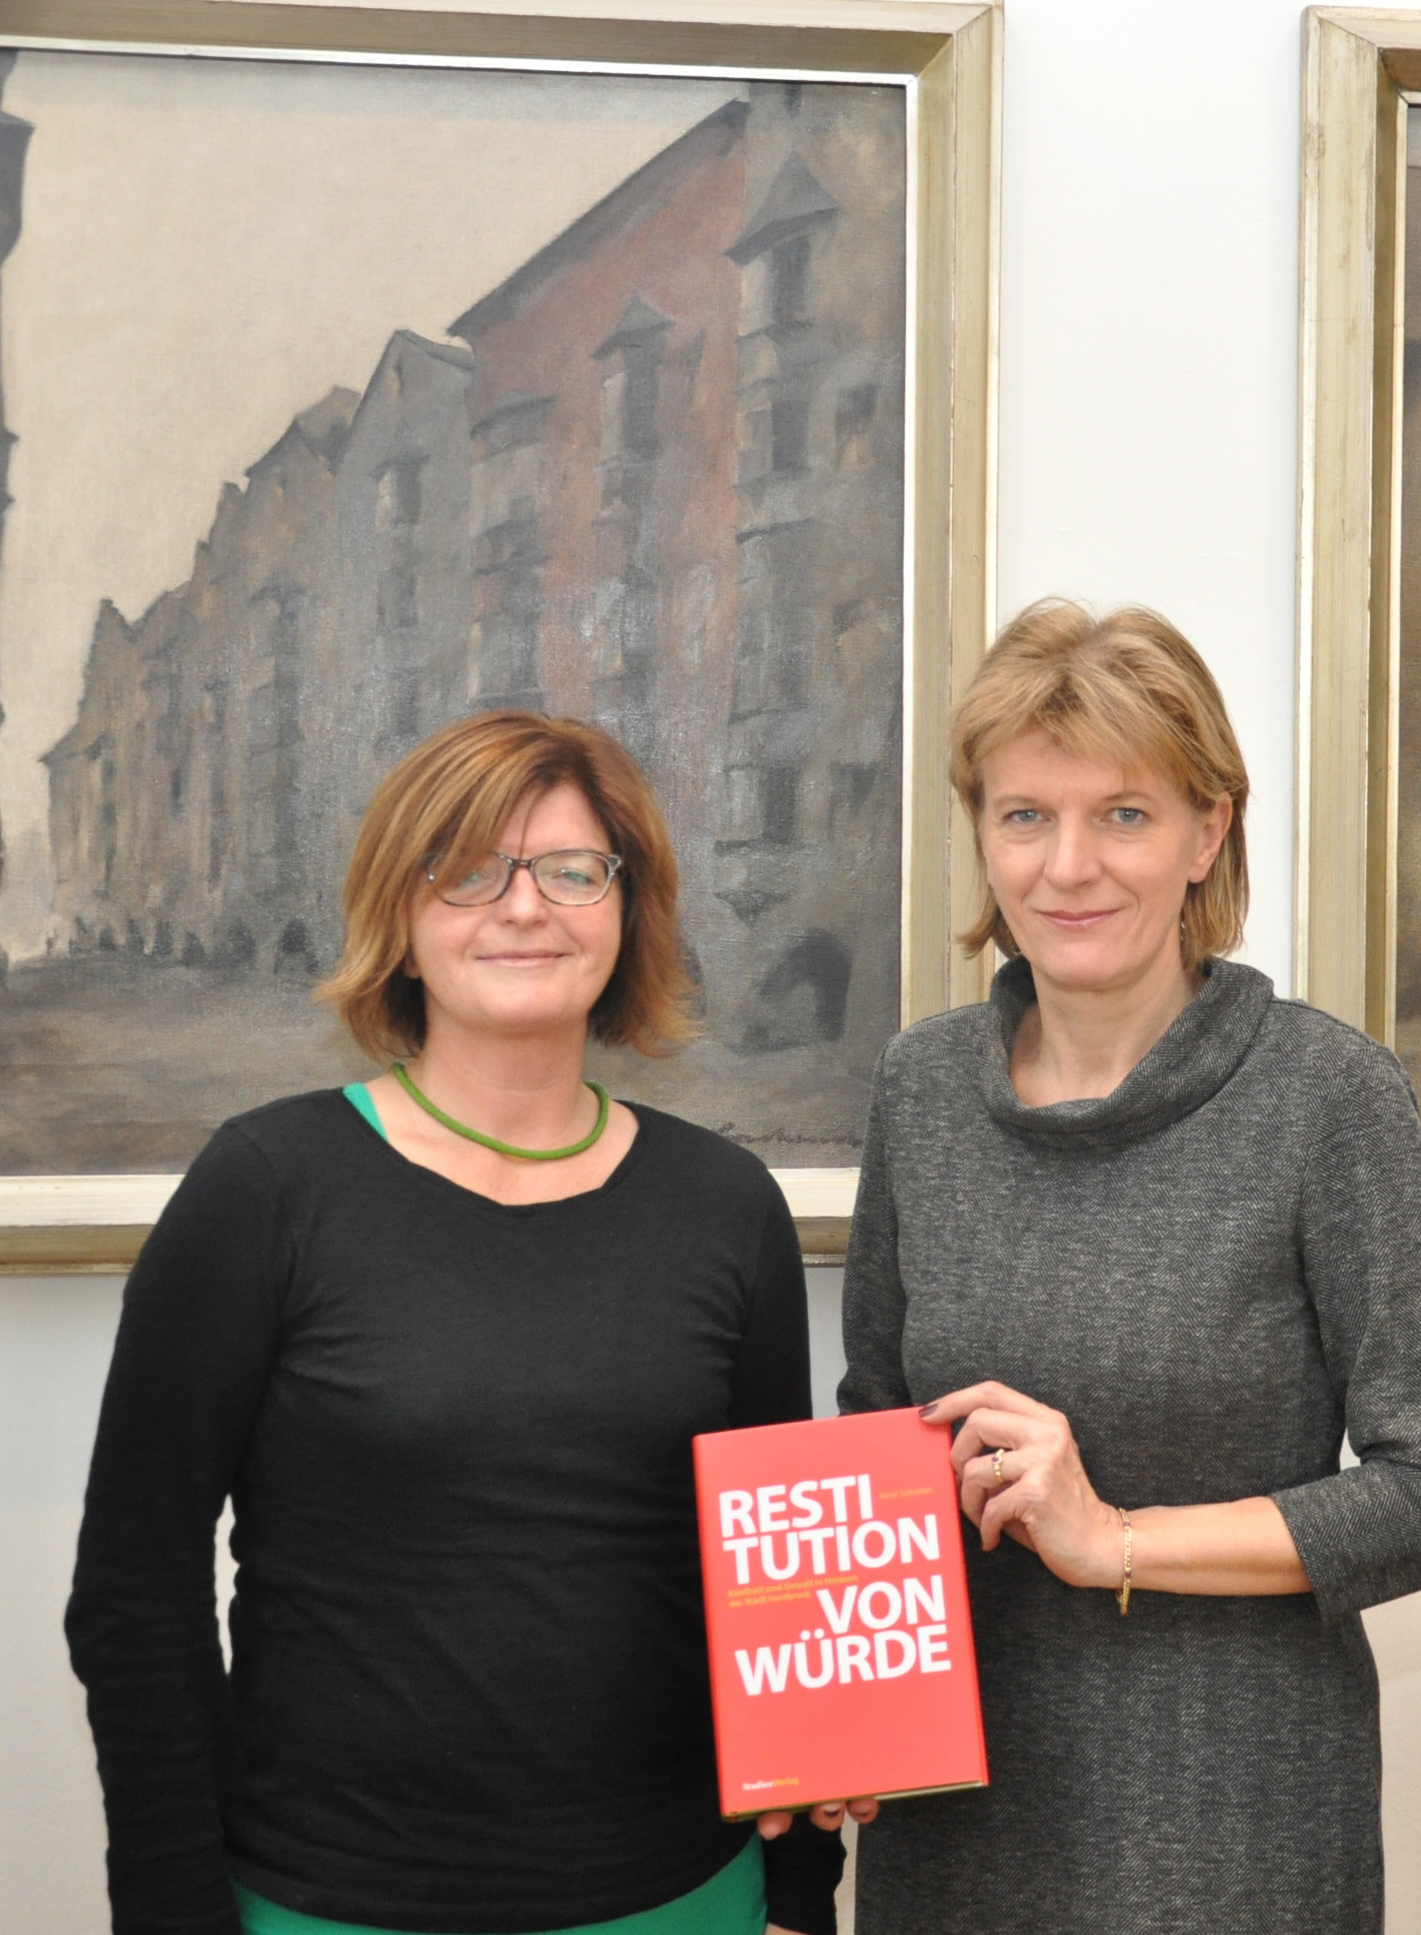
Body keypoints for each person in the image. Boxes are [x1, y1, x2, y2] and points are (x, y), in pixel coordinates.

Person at [65, 712, 846, 1935]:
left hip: (682, 1896)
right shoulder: (266, 1185)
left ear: (627, 907)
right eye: (468, 869)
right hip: (330, 1902)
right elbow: (132, 1588)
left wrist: (801, 1897)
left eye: (572, 869)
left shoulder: (723, 1205)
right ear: (403, 917)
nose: (522, 906)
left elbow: (777, 1583)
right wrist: (172, 1911)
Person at [838, 599, 1421, 1934]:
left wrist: (1111, 1539)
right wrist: (840, 1699)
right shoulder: (921, 1088)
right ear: (980, 831)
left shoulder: (1324, 1094)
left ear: (1208, 829)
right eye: (1025, 813)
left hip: (1231, 1823)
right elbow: (875, 1436)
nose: (1067, 864)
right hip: (950, 1818)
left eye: (1124, 814)